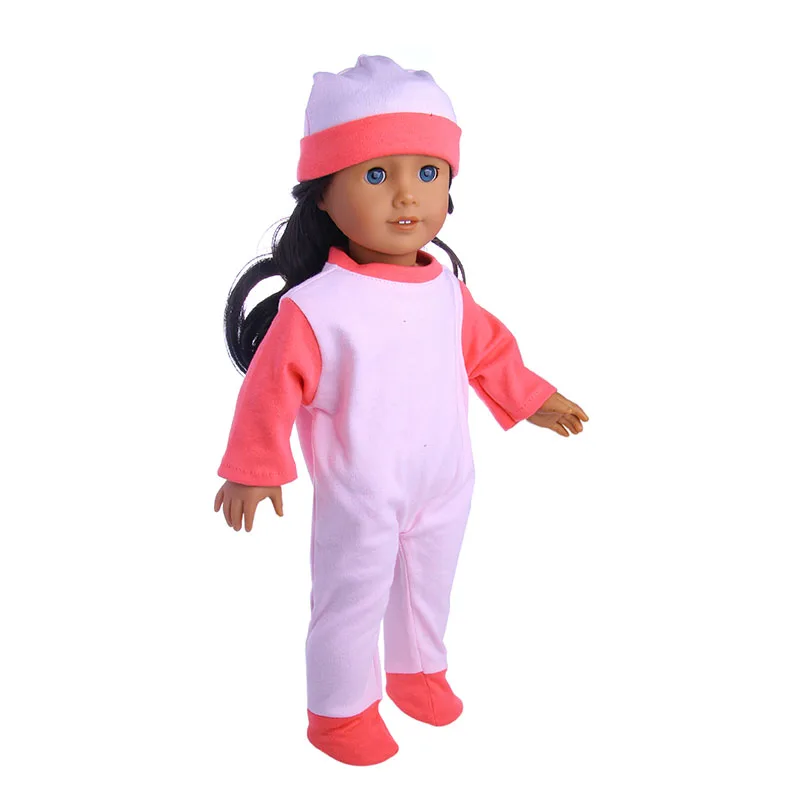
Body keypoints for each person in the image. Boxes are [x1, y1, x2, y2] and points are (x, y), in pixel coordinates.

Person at [213, 54, 589, 766]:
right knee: (351, 599)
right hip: (363, 491)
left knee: (428, 586)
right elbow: (268, 389)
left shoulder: (445, 289)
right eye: (376, 175)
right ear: (323, 197)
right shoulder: (317, 307)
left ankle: (419, 674)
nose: (407, 195)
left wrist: (533, 397)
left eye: (429, 172)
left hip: (446, 480)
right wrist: (255, 467)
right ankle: (339, 712)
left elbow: (489, 352)